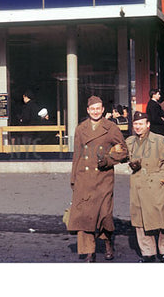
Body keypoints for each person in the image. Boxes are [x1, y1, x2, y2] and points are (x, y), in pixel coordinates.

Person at [68, 96, 128, 262]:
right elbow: (77, 155)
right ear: (88, 110)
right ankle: (89, 251)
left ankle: (107, 242)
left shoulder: (111, 128)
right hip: (84, 178)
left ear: (103, 110)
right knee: (84, 217)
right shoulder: (80, 129)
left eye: (98, 108)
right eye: (92, 109)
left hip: (103, 179)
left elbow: (123, 150)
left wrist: (109, 160)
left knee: (105, 216)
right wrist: (73, 179)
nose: (95, 111)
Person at [125, 111, 164, 263]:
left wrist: (162, 179)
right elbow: (119, 155)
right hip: (138, 185)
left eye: (141, 124)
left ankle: (163, 250)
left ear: (148, 125)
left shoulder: (159, 140)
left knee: (163, 220)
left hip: (157, 185)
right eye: (135, 124)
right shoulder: (129, 141)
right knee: (140, 221)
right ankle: (147, 253)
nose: (137, 127)